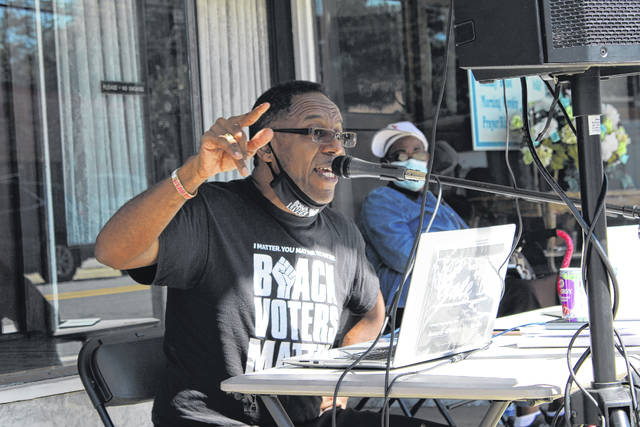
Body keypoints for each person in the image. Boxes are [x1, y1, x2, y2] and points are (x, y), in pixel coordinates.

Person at [95, 82, 442, 427]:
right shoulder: (210, 212)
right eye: (317, 132)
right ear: (265, 147)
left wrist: (337, 380)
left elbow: (371, 312)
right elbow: (113, 251)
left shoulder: (342, 233)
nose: (335, 147)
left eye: (339, 135)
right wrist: (194, 173)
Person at [358, 121, 557, 427]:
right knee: (521, 298)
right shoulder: (380, 201)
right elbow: (402, 257)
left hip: (462, 293)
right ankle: (527, 417)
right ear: (387, 165)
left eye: (417, 151)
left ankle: (546, 399)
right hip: (416, 305)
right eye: (400, 153)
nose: (411, 158)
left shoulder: (437, 199)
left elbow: (467, 244)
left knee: (550, 295)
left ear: (428, 157)